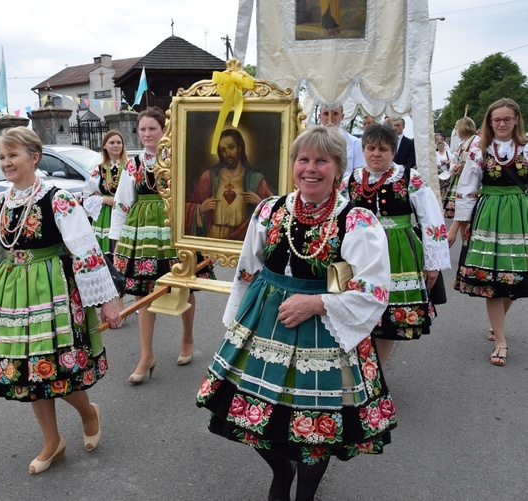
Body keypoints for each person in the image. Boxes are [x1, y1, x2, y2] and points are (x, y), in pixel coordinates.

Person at [197, 126, 395, 501]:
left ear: (338, 167)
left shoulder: (357, 220)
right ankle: (280, 469)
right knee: (247, 413)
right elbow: (247, 268)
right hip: (265, 323)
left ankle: (303, 494)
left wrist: (318, 302)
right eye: (303, 159)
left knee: (314, 427)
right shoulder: (269, 209)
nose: (311, 168)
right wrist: (237, 323)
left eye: (322, 160)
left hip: (325, 328)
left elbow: (374, 289)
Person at [0, 127, 122, 475]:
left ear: (34, 158)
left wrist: (107, 301)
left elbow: (85, 249)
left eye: (13, 155)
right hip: (13, 294)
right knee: (27, 373)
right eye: (2, 157)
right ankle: (53, 441)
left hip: (53, 289)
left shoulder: (58, 199)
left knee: (56, 367)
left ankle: (88, 413)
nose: (6, 162)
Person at [110, 107, 214, 383]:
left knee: (183, 284)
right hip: (141, 232)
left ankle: (188, 338)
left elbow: (194, 193)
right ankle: (146, 355)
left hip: (174, 227)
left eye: (152, 129)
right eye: (142, 129)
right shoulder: (132, 164)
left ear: (164, 130)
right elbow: (122, 203)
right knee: (143, 292)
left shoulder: (178, 159)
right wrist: (117, 241)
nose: (146, 134)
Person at [342, 123, 450, 367]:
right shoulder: (351, 180)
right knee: (359, 309)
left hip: (398, 252)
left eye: (383, 149)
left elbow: (431, 219)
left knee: (388, 317)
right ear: (363, 149)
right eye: (370, 148)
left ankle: (378, 368)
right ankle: (363, 366)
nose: (376, 153)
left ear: (393, 150)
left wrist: (432, 264)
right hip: (361, 253)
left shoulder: (410, 178)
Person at [448, 98, 528, 367]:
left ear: (516, 119)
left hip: (521, 216)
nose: (502, 124)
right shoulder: (479, 149)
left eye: (507, 119)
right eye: (497, 120)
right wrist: (457, 225)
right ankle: (501, 341)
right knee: (494, 280)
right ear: (490, 122)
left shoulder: (527, 147)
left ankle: (499, 325)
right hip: (489, 215)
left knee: (515, 277)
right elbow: (467, 188)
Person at [185, 128, 274, 240]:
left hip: (242, 242)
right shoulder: (208, 177)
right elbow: (185, 208)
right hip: (212, 242)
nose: (227, 153)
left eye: (231, 147)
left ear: (240, 148)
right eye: (223, 150)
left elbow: (277, 210)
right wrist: (200, 209)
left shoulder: (255, 180)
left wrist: (260, 203)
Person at [82, 129, 129, 315]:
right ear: (105, 146)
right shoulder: (99, 169)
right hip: (106, 217)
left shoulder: (130, 166)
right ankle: (116, 306)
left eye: (119, 142)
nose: (116, 145)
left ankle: (131, 301)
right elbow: (88, 195)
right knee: (109, 259)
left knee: (124, 256)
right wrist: (105, 200)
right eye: (112, 142)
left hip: (126, 214)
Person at [442, 117, 479, 220]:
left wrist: (464, 165)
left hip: (470, 179)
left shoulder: (476, 141)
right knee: (460, 214)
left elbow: (476, 158)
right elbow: (454, 159)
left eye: (457, 128)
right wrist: (454, 167)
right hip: (459, 178)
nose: (456, 131)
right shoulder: (461, 143)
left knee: (467, 213)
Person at [319, 105, 364, 177]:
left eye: (335, 114)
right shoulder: (312, 143)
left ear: (342, 116)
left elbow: (359, 173)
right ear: (320, 116)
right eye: (326, 113)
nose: (330, 117)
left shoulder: (355, 142)